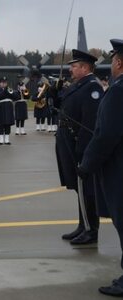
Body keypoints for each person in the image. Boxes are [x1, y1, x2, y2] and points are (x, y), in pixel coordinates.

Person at [78, 39, 123, 297]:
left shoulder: (118, 91)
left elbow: (106, 134)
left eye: (114, 60)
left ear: (118, 62)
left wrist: (88, 163)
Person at [54, 49, 104, 245]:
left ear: (84, 67)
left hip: (80, 145)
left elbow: (90, 123)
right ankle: (83, 225)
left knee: (86, 189)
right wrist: (55, 92)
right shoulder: (79, 85)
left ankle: (91, 230)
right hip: (69, 141)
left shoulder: (92, 87)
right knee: (79, 188)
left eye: (74, 66)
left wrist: (82, 150)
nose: (71, 70)